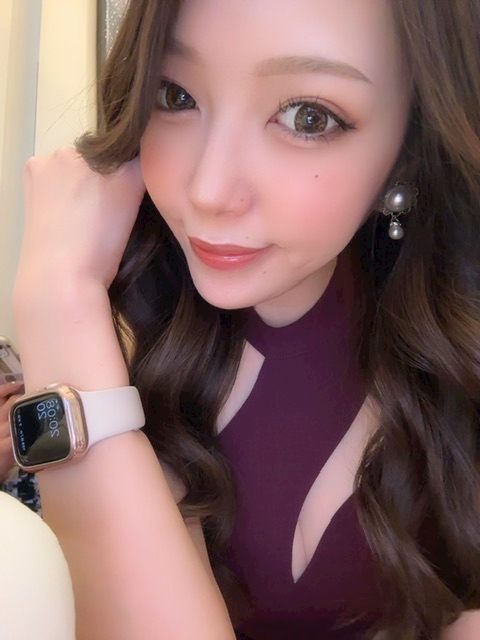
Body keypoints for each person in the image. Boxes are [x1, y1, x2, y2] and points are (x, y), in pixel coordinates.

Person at [10, 0, 480, 638]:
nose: (208, 190)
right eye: (174, 94)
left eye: (308, 117)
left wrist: (54, 300)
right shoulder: (136, 316)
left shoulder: (459, 363)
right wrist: (62, 302)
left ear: (411, 148)